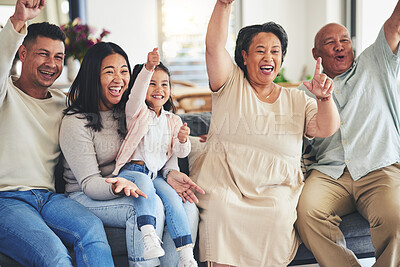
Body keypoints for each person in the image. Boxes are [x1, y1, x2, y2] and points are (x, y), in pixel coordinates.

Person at [188, 0, 340, 266]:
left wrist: (325, 99)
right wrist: (224, 5)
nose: (269, 57)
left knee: (279, 212)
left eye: (275, 51)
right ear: (244, 56)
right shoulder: (229, 83)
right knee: (221, 210)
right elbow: (213, 47)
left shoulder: (298, 99)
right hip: (226, 182)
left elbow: (326, 128)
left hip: (276, 188)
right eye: (260, 50)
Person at [60, 42, 201, 267]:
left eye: (124, 71)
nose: (119, 79)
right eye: (109, 72)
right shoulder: (76, 121)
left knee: (188, 206)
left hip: (137, 182)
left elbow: (156, 143)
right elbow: (88, 183)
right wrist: (118, 185)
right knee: (149, 204)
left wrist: (172, 170)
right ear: (92, 76)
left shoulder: (130, 112)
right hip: (88, 195)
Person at [0, 0, 114, 266]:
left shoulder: (65, 105)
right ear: (22, 54)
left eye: (59, 57)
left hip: (49, 198)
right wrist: (18, 20)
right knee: (54, 255)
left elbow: (111, 124)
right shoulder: (5, 94)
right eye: (43, 54)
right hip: (6, 200)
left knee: (92, 231)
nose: (52, 64)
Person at [295, 1, 400, 266]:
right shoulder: (303, 93)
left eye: (345, 39)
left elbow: (395, 24)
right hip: (330, 173)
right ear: (315, 53)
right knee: (306, 212)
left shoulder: (376, 62)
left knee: (396, 217)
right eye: (330, 42)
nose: (340, 45)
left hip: (378, 167)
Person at [111, 48, 204, 267]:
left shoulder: (173, 120)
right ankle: (149, 235)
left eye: (164, 84)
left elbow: (179, 154)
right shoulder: (136, 113)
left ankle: (186, 254)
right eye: (152, 83)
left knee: (175, 200)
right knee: (145, 186)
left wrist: (182, 140)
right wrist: (148, 69)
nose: (159, 89)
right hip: (133, 172)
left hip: (155, 176)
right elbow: (135, 94)